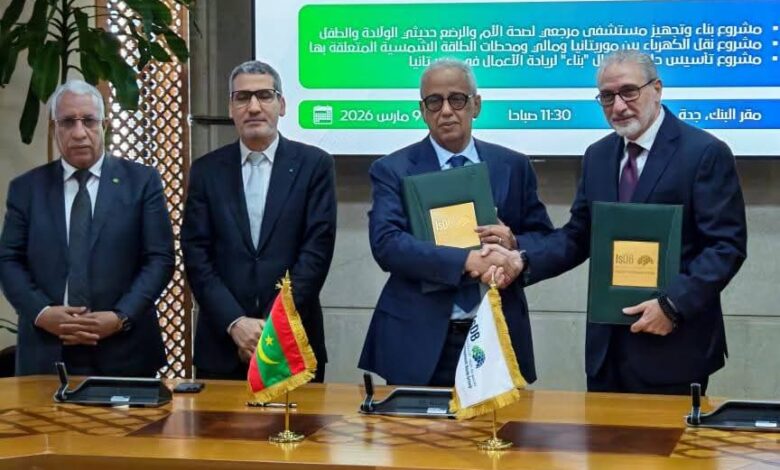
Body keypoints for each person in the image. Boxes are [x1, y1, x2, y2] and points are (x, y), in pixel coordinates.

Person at [513, 50, 747, 394]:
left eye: (628, 92)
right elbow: (579, 235)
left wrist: (672, 306)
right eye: (607, 97)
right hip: (606, 350)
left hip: (674, 346)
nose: (618, 106)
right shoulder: (597, 155)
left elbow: (725, 247)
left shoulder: (704, 153)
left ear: (657, 89)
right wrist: (521, 260)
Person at [358, 59, 553, 386]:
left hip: (496, 334)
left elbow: (543, 238)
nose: (446, 111)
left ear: (476, 105)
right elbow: (387, 244)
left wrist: (513, 243)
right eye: (434, 102)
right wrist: (467, 261)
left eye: (457, 99)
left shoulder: (513, 165)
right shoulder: (392, 169)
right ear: (422, 110)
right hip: (420, 338)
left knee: (502, 421)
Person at [0, 80, 175, 376]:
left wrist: (120, 317)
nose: (79, 132)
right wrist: (43, 313)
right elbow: (8, 260)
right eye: (68, 122)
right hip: (47, 350)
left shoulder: (142, 182)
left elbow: (160, 259)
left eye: (89, 121)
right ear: (54, 129)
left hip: (125, 350)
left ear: (104, 125)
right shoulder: (26, 189)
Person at [182, 60, 336, 381]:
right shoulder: (206, 171)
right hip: (222, 345)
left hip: (291, 343)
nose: (253, 107)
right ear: (231, 108)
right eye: (242, 97)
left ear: (282, 105)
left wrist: (271, 328)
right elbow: (197, 256)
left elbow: (315, 254)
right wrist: (236, 323)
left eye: (264, 95)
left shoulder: (314, 165)